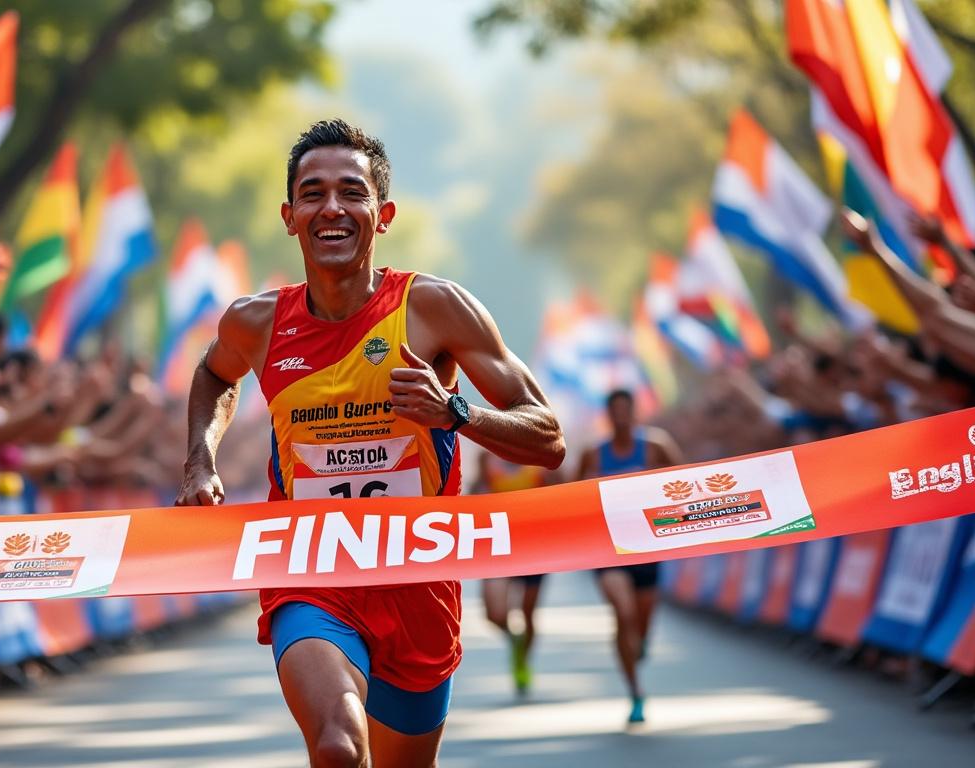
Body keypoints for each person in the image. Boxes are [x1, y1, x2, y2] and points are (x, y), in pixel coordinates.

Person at [177, 119, 564, 767]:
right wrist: (199, 456)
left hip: (419, 586)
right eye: (313, 193)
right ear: (289, 215)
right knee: (337, 744)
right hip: (311, 573)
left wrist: (456, 412)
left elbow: (546, 436)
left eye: (351, 193)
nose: (332, 207)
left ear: (381, 215)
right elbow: (214, 375)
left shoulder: (433, 309)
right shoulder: (256, 322)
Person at [577, 388, 683, 725]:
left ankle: (637, 648)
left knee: (640, 629)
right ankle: (636, 693)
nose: (621, 415)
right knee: (623, 614)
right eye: (615, 410)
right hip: (608, 551)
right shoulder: (593, 455)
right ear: (609, 415)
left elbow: (684, 482)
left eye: (627, 409)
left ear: (635, 412)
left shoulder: (656, 446)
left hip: (648, 549)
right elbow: (571, 498)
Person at [473, 450, 553, 697]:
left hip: (533, 547)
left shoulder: (538, 458)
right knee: (494, 614)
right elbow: (475, 492)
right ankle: (515, 640)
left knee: (528, 613)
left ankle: (522, 663)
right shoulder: (488, 458)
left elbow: (560, 493)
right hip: (499, 546)